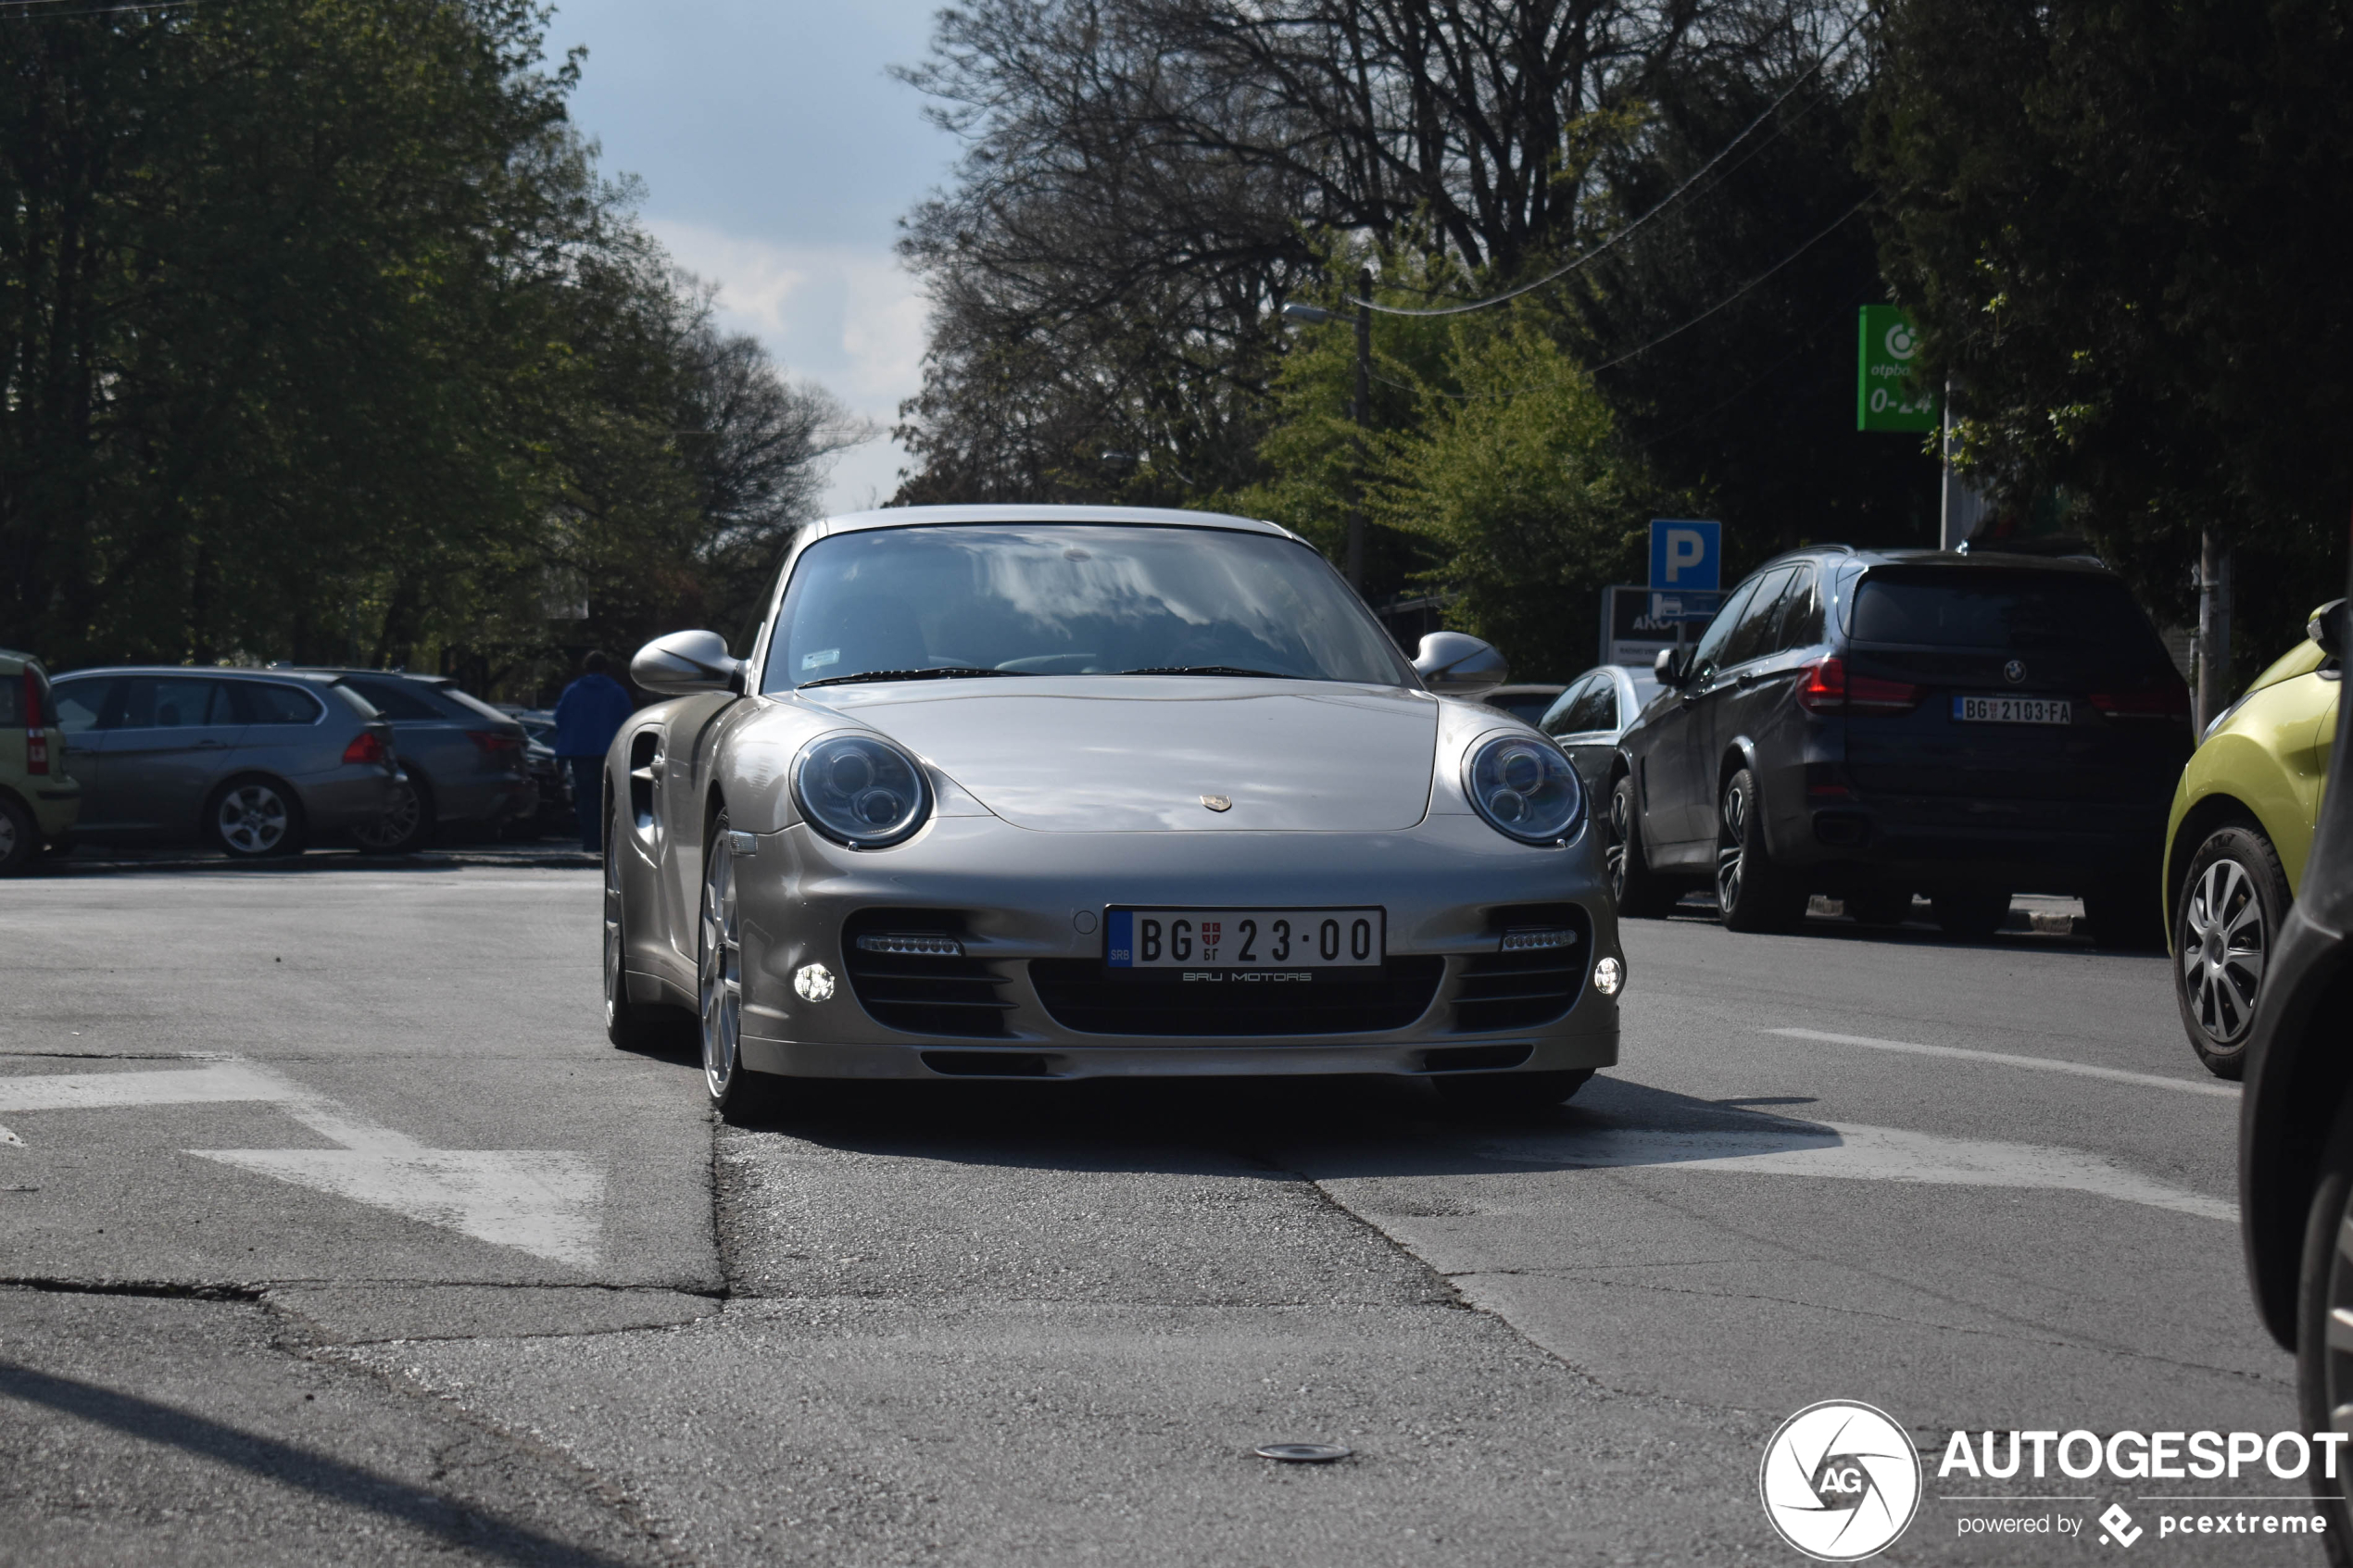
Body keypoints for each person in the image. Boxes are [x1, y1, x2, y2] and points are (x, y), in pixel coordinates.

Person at [552, 652, 635, 852]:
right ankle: (605, 840)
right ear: (606, 668)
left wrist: (562, 756)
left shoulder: (572, 691)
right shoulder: (616, 692)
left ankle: (589, 840)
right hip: (608, 752)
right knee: (607, 798)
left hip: (580, 753)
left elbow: (559, 719)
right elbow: (628, 722)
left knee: (585, 798)